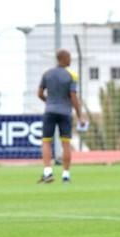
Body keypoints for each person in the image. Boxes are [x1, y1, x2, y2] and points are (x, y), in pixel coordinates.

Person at [37, 49, 86, 183]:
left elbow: (40, 94)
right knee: (66, 143)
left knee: (46, 141)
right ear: (63, 59)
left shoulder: (47, 74)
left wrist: (50, 102)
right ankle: (65, 175)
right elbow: (73, 96)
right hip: (65, 112)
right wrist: (79, 115)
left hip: (50, 111)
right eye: (69, 57)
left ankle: (47, 172)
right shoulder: (71, 75)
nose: (71, 60)